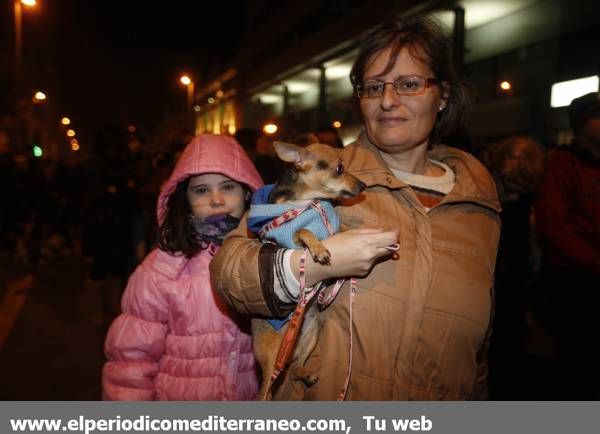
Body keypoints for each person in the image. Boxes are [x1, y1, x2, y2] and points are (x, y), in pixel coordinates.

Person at [210, 15, 501, 400]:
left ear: (443, 95)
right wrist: (305, 267)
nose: (387, 100)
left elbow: (478, 353)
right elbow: (228, 272)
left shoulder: (480, 202)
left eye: (409, 84)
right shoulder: (324, 178)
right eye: (373, 86)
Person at [102, 134, 263, 400]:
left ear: (247, 192)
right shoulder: (161, 269)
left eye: (227, 187)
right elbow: (130, 365)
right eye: (201, 190)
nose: (216, 199)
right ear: (184, 198)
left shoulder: (266, 257)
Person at [535, 92, 600, 399]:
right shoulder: (563, 163)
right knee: (577, 364)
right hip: (574, 279)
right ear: (581, 124)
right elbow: (553, 226)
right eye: (596, 117)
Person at [479, 135, 546, 398]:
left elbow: (531, 247)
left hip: (515, 283)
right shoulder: (487, 191)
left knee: (508, 353)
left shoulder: (529, 200)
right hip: (491, 282)